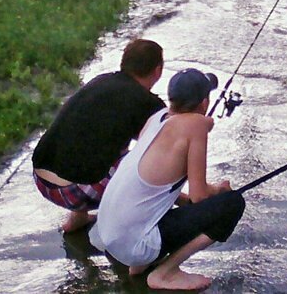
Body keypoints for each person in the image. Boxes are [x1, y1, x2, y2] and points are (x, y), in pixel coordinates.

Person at [89, 68, 245, 291]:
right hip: (132, 245)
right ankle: (166, 272)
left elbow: (155, 188)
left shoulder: (156, 119)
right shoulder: (196, 126)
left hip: (109, 235)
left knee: (186, 205)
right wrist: (220, 191)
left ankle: (141, 264)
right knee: (233, 203)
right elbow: (199, 195)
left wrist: (190, 201)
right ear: (204, 102)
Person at [32, 39, 165, 232]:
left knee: (100, 142)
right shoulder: (147, 104)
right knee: (148, 158)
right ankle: (127, 228)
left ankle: (78, 218)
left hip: (41, 179)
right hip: (75, 192)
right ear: (157, 71)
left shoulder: (101, 80)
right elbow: (164, 147)